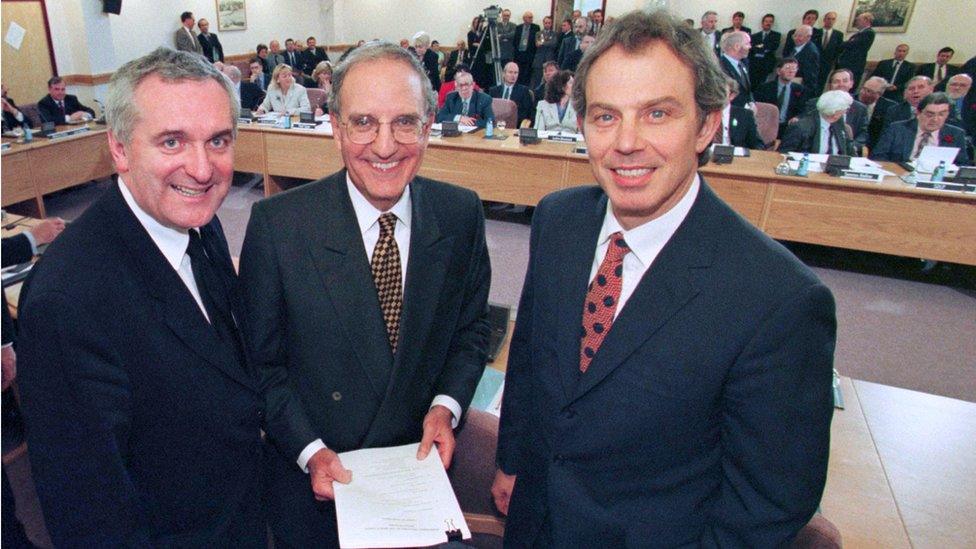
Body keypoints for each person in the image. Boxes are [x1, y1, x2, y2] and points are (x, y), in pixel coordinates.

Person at [492, 10, 835, 546]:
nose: (626, 142)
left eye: (657, 113)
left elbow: (767, 505)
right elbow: (533, 362)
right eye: (605, 116)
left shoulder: (781, 299)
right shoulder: (558, 219)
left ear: (706, 125)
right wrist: (511, 462)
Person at [238, 40, 491, 547]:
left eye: (404, 122)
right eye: (363, 122)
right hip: (316, 482)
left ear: (427, 126)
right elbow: (259, 366)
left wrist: (446, 407)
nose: (384, 145)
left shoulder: (461, 214)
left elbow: (471, 332)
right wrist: (309, 451)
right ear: (335, 127)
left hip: (417, 482)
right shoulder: (278, 225)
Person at [16, 47, 265, 547]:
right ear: (121, 149)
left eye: (218, 140)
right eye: (172, 141)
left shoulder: (198, 222)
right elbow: (91, 516)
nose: (202, 169)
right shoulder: (67, 301)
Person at [872, 92, 969, 165]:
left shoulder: (956, 134)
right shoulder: (897, 129)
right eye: (930, 114)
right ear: (918, 113)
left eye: (941, 114)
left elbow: (961, 164)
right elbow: (878, 157)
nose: (935, 119)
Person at [804, 69, 869, 152]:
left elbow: (863, 134)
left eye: (845, 81)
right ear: (830, 85)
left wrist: (850, 147)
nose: (841, 84)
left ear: (851, 84)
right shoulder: (814, 103)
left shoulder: (860, 108)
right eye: (836, 81)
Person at [779, 90, 856, 156]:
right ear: (835, 113)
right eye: (845, 109)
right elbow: (783, 154)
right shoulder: (800, 127)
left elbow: (850, 152)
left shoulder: (839, 124)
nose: (846, 112)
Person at [754, 58, 810, 137]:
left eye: (794, 69)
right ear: (778, 71)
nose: (791, 71)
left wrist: (797, 117)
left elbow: (804, 110)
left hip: (787, 127)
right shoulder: (765, 88)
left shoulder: (801, 90)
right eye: (788, 68)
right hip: (767, 125)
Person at [717, 78, 764, 149]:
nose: (717, 95)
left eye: (722, 91)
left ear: (732, 96)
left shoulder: (745, 115)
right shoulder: (704, 113)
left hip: (736, 157)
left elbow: (758, 144)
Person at [835, 12, 875, 89]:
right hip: (848, 66)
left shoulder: (868, 32)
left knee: (848, 89)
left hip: (853, 66)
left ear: (866, 20)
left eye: (859, 20)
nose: (856, 21)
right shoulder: (860, 33)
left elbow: (852, 44)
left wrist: (842, 44)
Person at [489, 62, 535, 127]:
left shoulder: (524, 91)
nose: (513, 75)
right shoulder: (494, 91)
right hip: (496, 125)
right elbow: (489, 110)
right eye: (510, 72)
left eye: (516, 73)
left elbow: (527, 113)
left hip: (515, 126)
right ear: (503, 74)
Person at [858, 76, 897, 150]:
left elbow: (885, 134)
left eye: (869, 91)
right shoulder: (851, 101)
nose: (863, 93)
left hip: (874, 146)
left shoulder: (890, 108)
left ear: (879, 94)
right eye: (863, 88)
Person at [718, 31, 753, 107]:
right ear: (736, 46)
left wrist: (751, 102)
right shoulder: (720, 66)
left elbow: (747, 89)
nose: (750, 46)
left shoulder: (742, 65)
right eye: (747, 43)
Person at [749, 13, 781, 86]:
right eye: (766, 21)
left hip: (767, 63)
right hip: (755, 64)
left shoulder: (776, 35)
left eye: (770, 21)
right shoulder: (754, 36)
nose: (768, 23)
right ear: (762, 23)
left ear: (772, 23)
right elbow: (752, 48)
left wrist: (759, 47)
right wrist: (764, 47)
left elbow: (773, 47)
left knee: (764, 84)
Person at [790, 25, 821, 93]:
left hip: (800, 89)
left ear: (808, 37)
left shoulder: (811, 52)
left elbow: (810, 76)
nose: (796, 38)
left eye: (800, 36)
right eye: (795, 35)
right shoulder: (799, 46)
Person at [817, 12, 843, 88]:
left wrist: (833, 63)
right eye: (828, 18)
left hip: (827, 64)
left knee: (821, 85)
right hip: (814, 63)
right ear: (824, 20)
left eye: (833, 19)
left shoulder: (838, 35)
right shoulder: (816, 32)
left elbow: (838, 50)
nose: (830, 21)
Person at [513, 11, 539, 86]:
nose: (531, 19)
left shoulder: (536, 27)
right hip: (519, 54)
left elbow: (537, 40)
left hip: (529, 54)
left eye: (532, 17)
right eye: (530, 17)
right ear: (524, 18)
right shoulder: (518, 27)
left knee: (527, 74)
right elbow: (515, 41)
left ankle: (526, 89)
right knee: (518, 73)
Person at [531, 15, 557, 89]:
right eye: (546, 23)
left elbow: (554, 44)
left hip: (549, 58)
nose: (547, 24)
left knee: (549, 80)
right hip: (539, 59)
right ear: (543, 23)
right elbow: (537, 44)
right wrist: (548, 42)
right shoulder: (538, 33)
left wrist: (543, 43)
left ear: (551, 24)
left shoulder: (554, 34)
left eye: (549, 23)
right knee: (537, 80)